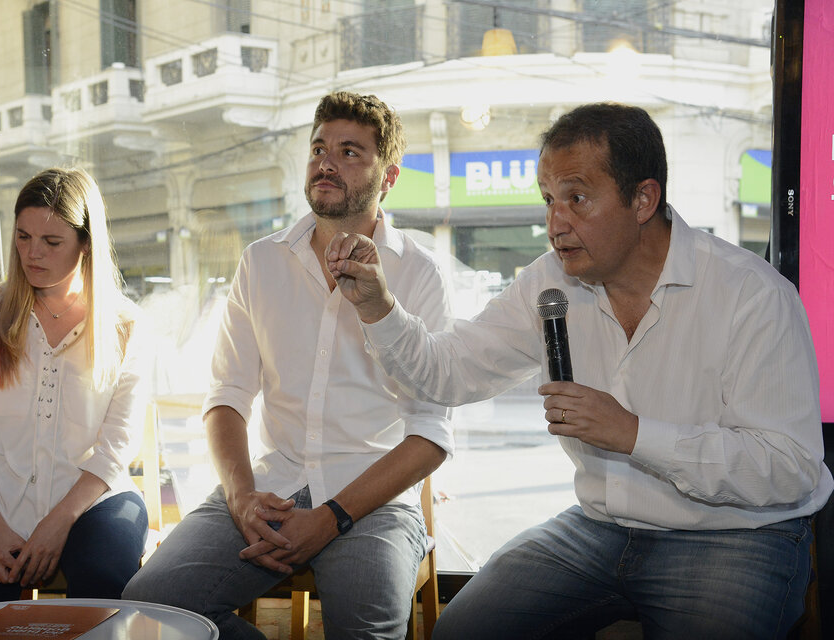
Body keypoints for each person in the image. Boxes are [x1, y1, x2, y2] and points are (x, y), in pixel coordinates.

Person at [326, 103, 834, 639]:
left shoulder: (751, 294)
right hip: (601, 528)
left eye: (577, 198)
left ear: (643, 199)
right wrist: (378, 307)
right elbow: (448, 372)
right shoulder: (551, 281)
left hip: (735, 533)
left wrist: (634, 434)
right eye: (548, 199)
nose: (554, 223)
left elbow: (789, 467)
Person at [122, 91, 453, 638]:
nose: (326, 162)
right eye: (319, 148)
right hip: (271, 488)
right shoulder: (262, 261)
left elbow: (430, 434)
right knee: (149, 606)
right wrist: (241, 495)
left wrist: (331, 519)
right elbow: (227, 396)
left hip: (371, 503)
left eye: (350, 152)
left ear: (388, 177)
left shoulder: (419, 274)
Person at [0, 167, 152, 606]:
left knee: (103, 577)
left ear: (86, 243)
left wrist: (58, 524)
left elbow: (117, 447)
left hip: (92, 500)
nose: (32, 254)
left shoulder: (127, 326)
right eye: (22, 237)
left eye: (51, 242)